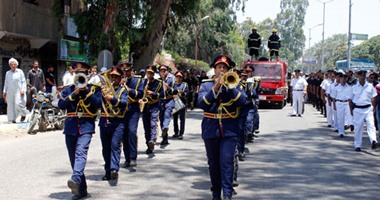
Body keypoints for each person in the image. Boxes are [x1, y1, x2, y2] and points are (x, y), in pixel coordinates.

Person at [197, 55, 246, 200]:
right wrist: (216, 87)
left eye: (225, 68)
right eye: (219, 67)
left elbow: (242, 102)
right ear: (214, 69)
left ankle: (228, 194)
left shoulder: (235, 84)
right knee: (213, 164)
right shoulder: (206, 85)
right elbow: (202, 104)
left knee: (227, 161)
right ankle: (216, 194)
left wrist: (230, 88)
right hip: (211, 129)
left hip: (229, 129)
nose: (222, 70)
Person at [58, 62, 102, 200]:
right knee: (73, 159)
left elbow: (99, 104)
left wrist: (87, 92)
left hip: (86, 125)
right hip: (71, 126)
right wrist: (74, 94)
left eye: (82, 73)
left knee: (80, 152)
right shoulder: (69, 89)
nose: (79, 75)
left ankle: (75, 178)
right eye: (77, 73)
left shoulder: (94, 89)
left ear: (88, 74)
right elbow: (61, 104)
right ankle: (81, 190)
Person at [98, 66, 128, 181]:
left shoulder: (123, 90)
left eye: (116, 77)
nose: (113, 79)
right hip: (104, 121)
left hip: (117, 121)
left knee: (115, 145)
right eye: (112, 77)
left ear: (120, 78)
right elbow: (98, 104)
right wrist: (100, 93)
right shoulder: (104, 90)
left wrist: (112, 99)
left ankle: (114, 169)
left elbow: (124, 104)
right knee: (105, 148)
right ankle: (107, 171)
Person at [120, 62, 144, 168]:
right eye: (124, 71)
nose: (125, 73)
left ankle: (133, 157)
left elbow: (141, 93)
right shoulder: (118, 81)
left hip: (133, 109)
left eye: (127, 71)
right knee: (124, 134)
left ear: (131, 71)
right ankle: (127, 158)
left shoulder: (138, 80)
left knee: (131, 131)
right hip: (122, 110)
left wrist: (129, 90)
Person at [349, 70, 378, 151]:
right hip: (358, 109)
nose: (362, 76)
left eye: (364, 75)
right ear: (358, 76)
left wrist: (374, 108)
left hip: (368, 108)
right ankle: (357, 145)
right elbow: (350, 100)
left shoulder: (370, 86)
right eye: (360, 75)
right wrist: (351, 110)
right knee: (358, 128)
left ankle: (373, 141)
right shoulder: (353, 87)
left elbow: (374, 97)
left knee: (371, 125)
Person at [141, 65, 164, 154]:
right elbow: (140, 93)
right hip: (145, 106)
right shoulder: (143, 82)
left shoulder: (159, 83)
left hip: (154, 106)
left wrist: (153, 93)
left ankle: (152, 140)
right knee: (146, 127)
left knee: (153, 124)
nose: (148, 75)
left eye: (150, 73)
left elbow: (162, 95)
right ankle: (149, 145)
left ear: (154, 74)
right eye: (148, 73)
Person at [2, 58, 29, 123]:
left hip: (18, 91)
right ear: (9, 65)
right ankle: (12, 119)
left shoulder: (20, 71)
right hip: (10, 91)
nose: (13, 66)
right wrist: (4, 91)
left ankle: (23, 114)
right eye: (11, 64)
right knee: (10, 105)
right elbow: (6, 82)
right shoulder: (8, 73)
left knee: (18, 103)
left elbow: (23, 81)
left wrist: (23, 90)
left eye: (14, 64)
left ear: (16, 65)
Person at [158, 64, 176, 145]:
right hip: (161, 101)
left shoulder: (171, 79)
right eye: (161, 71)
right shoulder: (158, 80)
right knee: (161, 118)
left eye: (164, 70)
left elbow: (174, 91)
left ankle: (165, 126)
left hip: (169, 99)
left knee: (167, 114)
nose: (163, 72)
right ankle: (165, 138)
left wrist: (167, 88)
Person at [332, 73, 353, 137]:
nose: (342, 80)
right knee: (340, 118)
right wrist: (334, 105)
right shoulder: (336, 87)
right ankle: (341, 132)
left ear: (346, 79)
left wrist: (351, 106)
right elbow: (333, 97)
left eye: (344, 78)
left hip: (347, 103)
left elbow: (351, 98)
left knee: (349, 114)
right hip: (339, 103)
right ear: (339, 79)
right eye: (341, 78)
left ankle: (351, 124)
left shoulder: (349, 87)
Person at [172, 70, 189, 139]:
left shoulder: (185, 85)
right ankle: (176, 132)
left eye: (180, 77)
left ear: (182, 78)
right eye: (177, 76)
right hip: (175, 102)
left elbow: (187, 93)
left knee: (182, 119)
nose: (178, 78)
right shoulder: (173, 84)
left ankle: (181, 133)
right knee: (175, 118)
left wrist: (182, 93)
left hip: (182, 103)